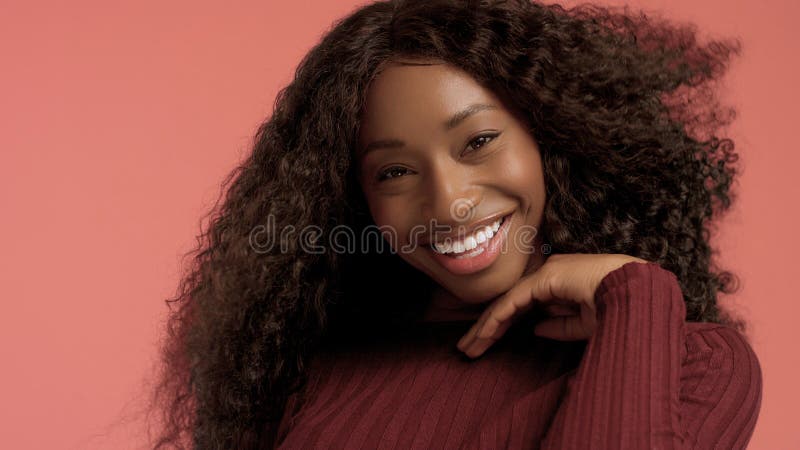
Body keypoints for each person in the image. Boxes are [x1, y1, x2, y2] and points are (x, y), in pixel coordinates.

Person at [148, 0, 763, 448]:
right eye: (393, 173)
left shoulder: (694, 363)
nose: (448, 204)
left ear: (554, 137)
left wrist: (633, 291)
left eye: (479, 141)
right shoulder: (312, 373)